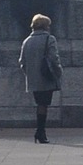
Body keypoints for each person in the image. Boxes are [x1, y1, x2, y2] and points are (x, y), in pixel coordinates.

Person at [18, 13, 62, 144]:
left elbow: (22, 61)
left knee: (40, 104)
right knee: (44, 105)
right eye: (48, 25)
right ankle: (40, 131)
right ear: (45, 26)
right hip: (46, 77)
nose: (49, 27)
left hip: (34, 79)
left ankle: (40, 131)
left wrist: (29, 74)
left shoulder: (27, 41)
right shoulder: (49, 39)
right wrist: (58, 72)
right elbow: (54, 58)